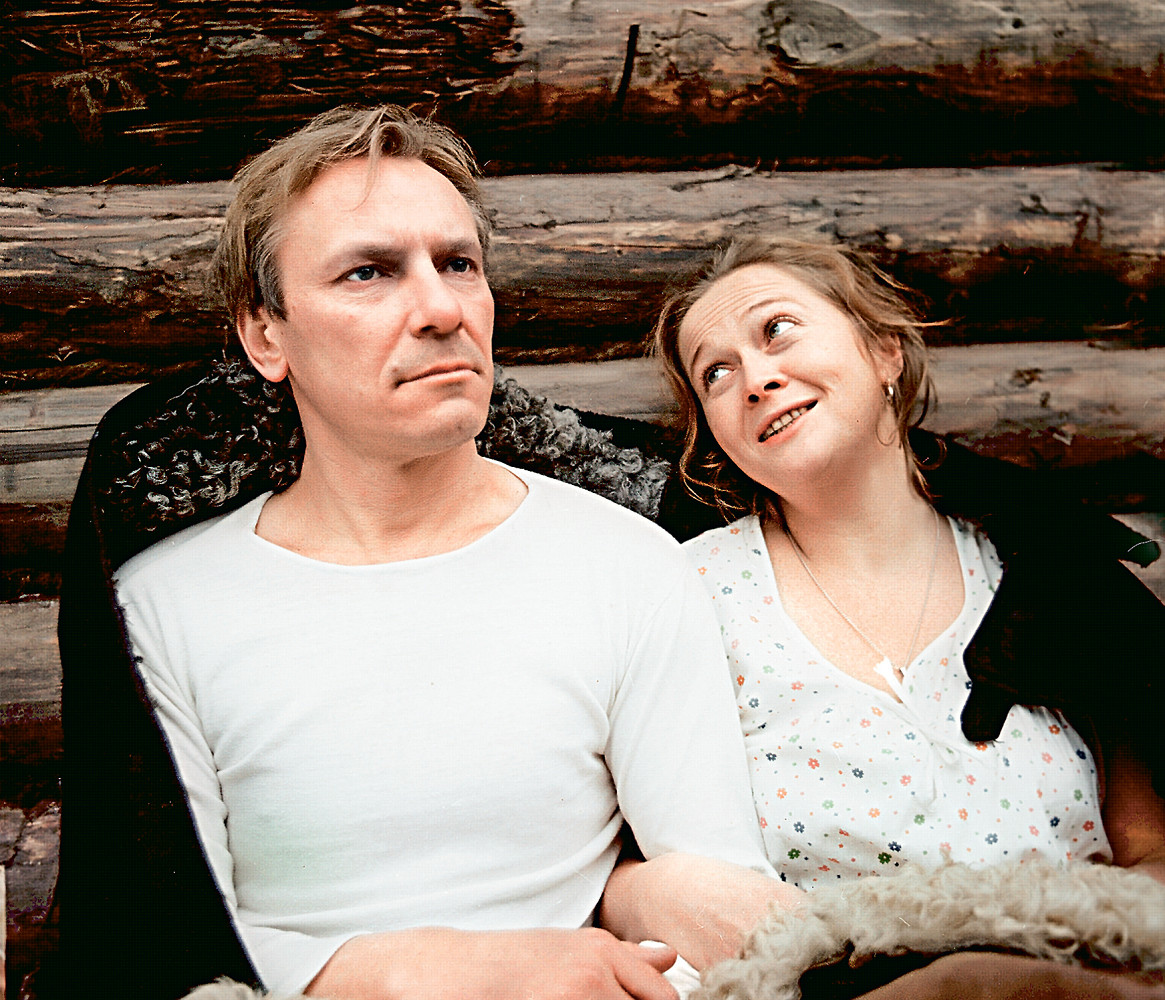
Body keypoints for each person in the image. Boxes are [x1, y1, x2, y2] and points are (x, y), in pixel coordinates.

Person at [46, 107, 798, 1000]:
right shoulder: (162, 607)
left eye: (458, 264)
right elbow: (158, 943)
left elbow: (718, 911)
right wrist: (426, 971)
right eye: (368, 272)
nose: (441, 310)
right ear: (265, 336)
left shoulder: (626, 564)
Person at [651, 235, 1165, 994]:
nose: (755, 379)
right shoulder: (683, 596)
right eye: (715, 374)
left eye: (777, 330)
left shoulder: (1049, 572)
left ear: (884, 350)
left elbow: (1147, 854)